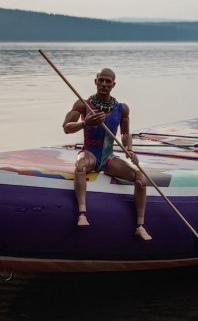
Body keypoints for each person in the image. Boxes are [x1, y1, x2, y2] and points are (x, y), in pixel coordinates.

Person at [62, 68, 151, 240]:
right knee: (80, 166)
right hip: (90, 153)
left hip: (108, 158)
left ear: (113, 85)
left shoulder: (122, 109)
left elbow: (125, 133)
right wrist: (85, 123)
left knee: (140, 177)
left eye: (108, 81)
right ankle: (82, 213)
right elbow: (66, 128)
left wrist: (129, 149)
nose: (104, 84)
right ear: (95, 82)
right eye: (101, 80)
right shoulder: (83, 104)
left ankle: (140, 226)